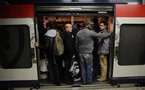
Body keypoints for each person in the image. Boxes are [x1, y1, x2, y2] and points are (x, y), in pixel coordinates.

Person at [75, 20, 110, 85]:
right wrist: (110, 33)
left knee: (82, 68)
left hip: (81, 53)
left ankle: (83, 81)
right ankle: (89, 81)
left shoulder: (78, 33)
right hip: (88, 53)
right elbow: (100, 35)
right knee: (89, 67)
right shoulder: (90, 32)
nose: (91, 26)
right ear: (87, 25)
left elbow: (76, 44)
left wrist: (78, 52)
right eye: (90, 25)